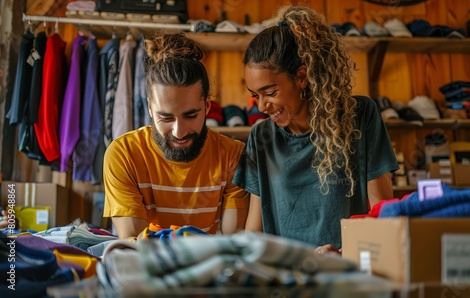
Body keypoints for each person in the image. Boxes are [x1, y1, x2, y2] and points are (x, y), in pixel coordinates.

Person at [233, 6, 399, 252]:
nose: (261, 106)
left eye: (270, 93)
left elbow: (384, 213)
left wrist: (346, 254)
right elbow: (254, 231)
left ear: (301, 77)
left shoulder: (360, 115)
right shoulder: (262, 136)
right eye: (254, 95)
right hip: (288, 279)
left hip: (348, 273)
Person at [103, 32, 249, 240]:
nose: (179, 132)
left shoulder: (233, 155)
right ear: (150, 108)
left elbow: (232, 241)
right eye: (166, 117)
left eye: (191, 115)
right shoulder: (123, 154)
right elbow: (134, 243)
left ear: (207, 106)